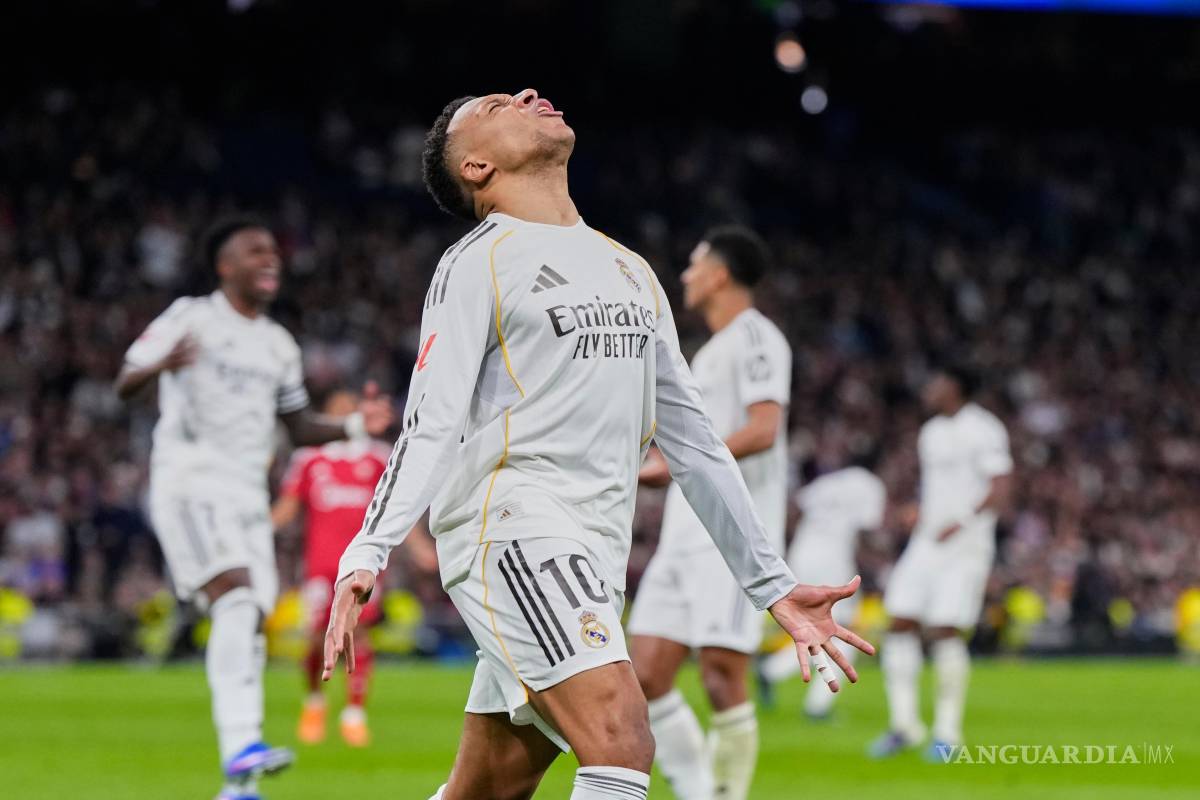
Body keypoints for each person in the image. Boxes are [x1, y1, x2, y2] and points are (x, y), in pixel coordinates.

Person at [322, 88, 875, 800]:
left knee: (489, 787)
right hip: (512, 528)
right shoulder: (477, 262)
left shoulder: (629, 268)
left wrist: (773, 585)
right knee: (621, 740)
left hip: (594, 549)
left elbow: (695, 443)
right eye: (497, 105)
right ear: (477, 167)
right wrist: (368, 550)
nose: (526, 94)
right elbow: (428, 423)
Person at [115, 218, 394, 800]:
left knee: (250, 622)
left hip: (246, 495)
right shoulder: (192, 317)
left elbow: (297, 426)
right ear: (225, 266)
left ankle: (239, 782)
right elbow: (125, 381)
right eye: (254, 251)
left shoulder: (278, 346)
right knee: (237, 600)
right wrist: (160, 367)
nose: (269, 258)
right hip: (191, 482)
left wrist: (352, 425)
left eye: (272, 251)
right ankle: (242, 743)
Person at [625, 225, 792, 800]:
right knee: (644, 675)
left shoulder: (757, 338)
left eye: (695, 265)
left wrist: (676, 464)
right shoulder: (709, 351)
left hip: (730, 535)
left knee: (721, 675)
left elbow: (764, 429)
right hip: (682, 532)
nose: (686, 276)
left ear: (720, 275)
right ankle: (700, 792)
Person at [272, 388, 437, 748]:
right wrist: (258, 532)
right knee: (317, 633)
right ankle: (314, 701)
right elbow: (287, 507)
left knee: (358, 633)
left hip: (364, 565)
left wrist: (420, 546)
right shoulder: (309, 458)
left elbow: (397, 507)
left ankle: (354, 714)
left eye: (351, 409)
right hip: (320, 567)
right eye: (338, 410)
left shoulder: (378, 457)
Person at [869, 366, 1013, 760]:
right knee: (899, 620)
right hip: (926, 541)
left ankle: (948, 734)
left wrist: (961, 520)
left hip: (966, 545)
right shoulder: (930, 432)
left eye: (937, 382)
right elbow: (940, 488)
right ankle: (904, 726)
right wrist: (920, 510)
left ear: (956, 386)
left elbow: (1001, 487)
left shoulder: (984, 428)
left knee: (945, 629)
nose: (929, 389)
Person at [758, 450, 887, 720]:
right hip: (833, 560)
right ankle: (818, 706)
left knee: (817, 629)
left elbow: (796, 509)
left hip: (801, 555)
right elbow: (868, 531)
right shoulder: (869, 484)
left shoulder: (828, 482)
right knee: (843, 632)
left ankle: (771, 671)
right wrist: (876, 565)